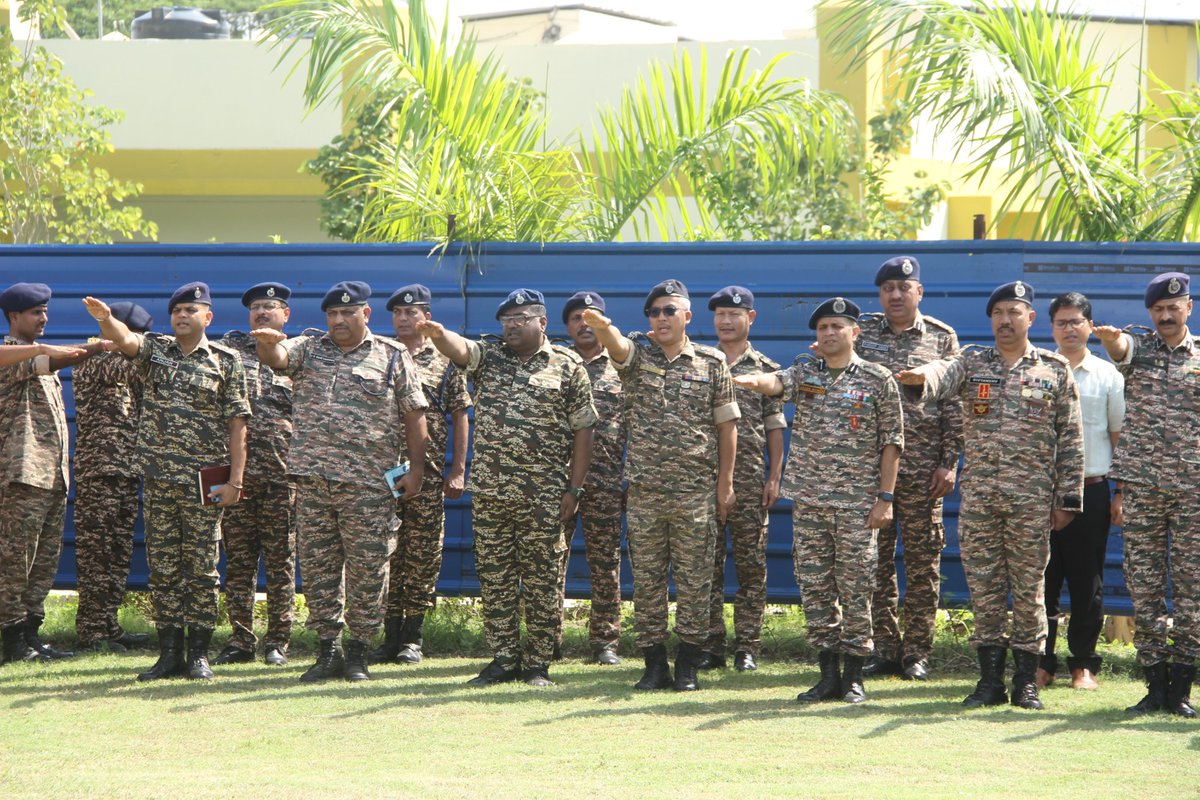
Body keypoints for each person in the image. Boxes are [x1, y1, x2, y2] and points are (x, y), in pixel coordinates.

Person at [897, 281, 1084, 710]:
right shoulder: (973, 362)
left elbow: (1071, 438)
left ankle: (1025, 682)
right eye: (998, 313)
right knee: (984, 589)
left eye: (1013, 312)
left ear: (1030, 319)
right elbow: (941, 374)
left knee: (1029, 590)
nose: (1004, 320)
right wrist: (920, 377)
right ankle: (988, 681)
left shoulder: (1053, 369)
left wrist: (1067, 499)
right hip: (981, 500)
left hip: (1031, 501)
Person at [252, 281, 429, 683]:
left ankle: (358, 652)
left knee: (368, 572)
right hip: (314, 484)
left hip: (368, 486)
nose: (339, 320)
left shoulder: (391, 355)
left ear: (365, 314)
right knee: (318, 571)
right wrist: (266, 342)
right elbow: (278, 358)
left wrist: (417, 470)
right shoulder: (309, 348)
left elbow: (415, 414)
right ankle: (327, 651)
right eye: (332, 314)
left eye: (347, 313)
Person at [418, 289, 596, 687]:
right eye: (506, 320)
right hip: (493, 494)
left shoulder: (567, 367)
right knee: (495, 579)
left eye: (521, 318)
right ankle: (503, 658)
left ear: (542, 323)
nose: (511, 326)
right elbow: (460, 349)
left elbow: (585, 430)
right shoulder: (490, 356)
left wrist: (575, 489)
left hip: (545, 496)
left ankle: (536, 664)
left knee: (542, 581)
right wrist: (437, 332)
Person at [734, 297, 903, 704]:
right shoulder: (807, 370)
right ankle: (827, 675)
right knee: (815, 588)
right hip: (809, 501)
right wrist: (752, 381)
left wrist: (885, 499)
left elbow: (892, 442)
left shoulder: (878, 379)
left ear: (854, 333)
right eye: (822, 327)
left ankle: (854, 676)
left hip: (857, 506)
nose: (828, 333)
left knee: (857, 587)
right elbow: (777, 383)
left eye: (837, 326)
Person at [83, 283, 251, 682]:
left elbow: (237, 426)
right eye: (176, 310)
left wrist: (236, 481)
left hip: (204, 482)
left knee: (203, 569)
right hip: (160, 481)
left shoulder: (227, 362)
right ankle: (169, 654)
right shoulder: (156, 351)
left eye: (191, 310)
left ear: (207, 317)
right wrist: (107, 320)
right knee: (164, 569)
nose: (181, 315)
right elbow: (125, 341)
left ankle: (199, 655)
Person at [582, 279, 740, 692]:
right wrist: (601, 327)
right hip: (646, 493)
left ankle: (687, 664)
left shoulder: (711, 363)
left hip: (695, 494)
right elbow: (617, 346)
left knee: (695, 582)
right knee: (648, 583)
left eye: (670, 310)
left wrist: (725, 486)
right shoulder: (639, 355)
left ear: (687, 316)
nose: (661, 318)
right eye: (654, 312)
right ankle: (653, 664)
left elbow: (727, 427)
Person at [1093, 272, 1198, 717]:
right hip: (1142, 489)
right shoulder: (1140, 351)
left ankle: (1182, 690)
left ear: (1188, 308)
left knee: (1194, 591)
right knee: (1146, 589)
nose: (1166, 314)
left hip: (1193, 492)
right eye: (1157, 309)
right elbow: (1120, 350)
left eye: (1173, 307)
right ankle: (1155, 686)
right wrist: (1108, 339)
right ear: (1150, 314)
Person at [855, 256, 962, 681]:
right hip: (871, 471)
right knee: (874, 563)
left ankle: (916, 652)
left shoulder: (941, 337)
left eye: (904, 287)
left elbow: (954, 404)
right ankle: (884, 648)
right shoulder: (861, 332)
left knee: (922, 564)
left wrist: (949, 463)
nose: (895, 295)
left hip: (922, 471)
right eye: (887, 289)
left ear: (919, 291)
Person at [0, 283, 102, 666]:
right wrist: (83, 350)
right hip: (22, 474)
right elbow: (48, 361)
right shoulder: (11, 354)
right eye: (35, 312)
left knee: (43, 561)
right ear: (14, 317)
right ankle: (11, 639)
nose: (44, 319)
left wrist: (91, 349)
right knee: (15, 561)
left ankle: (30, 636)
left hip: (52, 475)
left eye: (45, 311)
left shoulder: (31, 355)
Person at [370, 284, 471, 665]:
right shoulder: (381, 356)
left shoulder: (444, 361)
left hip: (427, 476)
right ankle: (388, 634)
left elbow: (460, 415)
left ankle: (412, 637)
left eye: (411, 313)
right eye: (397, 313)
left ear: (426, 317)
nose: (403, 319)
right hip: (383, 476)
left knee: (423, 555)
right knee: (386, 554)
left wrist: (458, 470)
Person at [1037, 292, 1124, 691]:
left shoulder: (1107, 375)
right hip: (1038, 491)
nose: (1069, 329)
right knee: (1041, 578)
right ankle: (1041, 661)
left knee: (1086, 580)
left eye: (1076, 322)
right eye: (1061, 322)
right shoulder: (1037, 369)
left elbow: (1117, 436)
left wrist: (1120, 491)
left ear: (1090, 326)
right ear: (1050, 327)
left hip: (1091, 489)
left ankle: (1084, 665)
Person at [698, 286, 785, 673]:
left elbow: (775, 428)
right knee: (705, 564)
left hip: (750, 481)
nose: (726, 321)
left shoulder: (766, 369)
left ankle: (747, 645)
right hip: (702, 478)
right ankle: (711, 644)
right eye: (719, 314)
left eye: (734, 314)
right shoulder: (699, 362)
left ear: (750, 318)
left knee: (751, 567)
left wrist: (775, 476)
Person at [212, 283, 298, 667]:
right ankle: (241, 639)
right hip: (236, 477)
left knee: (281, 563)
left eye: (270, 307)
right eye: (256, 308)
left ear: (285, 315)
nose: (261, 313)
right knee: (239, 562)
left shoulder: (300, 355)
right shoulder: (229, 352)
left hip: (283, 477)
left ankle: (278, 641)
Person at [72, 301, 155, 653]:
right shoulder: (96, 361)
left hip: (125, 471)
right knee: (97, 553)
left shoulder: (124, 363)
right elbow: (141, 369)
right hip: (99, 472)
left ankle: (109, 624)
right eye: (135, 335)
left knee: (119, 552)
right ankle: (91, 631)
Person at [562, 291, 627, 665]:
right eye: (575, 318)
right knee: (550, 560)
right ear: (566, 327)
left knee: (605, 563)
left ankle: (605, 641)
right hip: (558, 481)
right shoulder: (556, 364)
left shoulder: (622, 366)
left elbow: (638, 423)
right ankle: (548, 636)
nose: (583, 325)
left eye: (591, 318)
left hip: (605, 479)